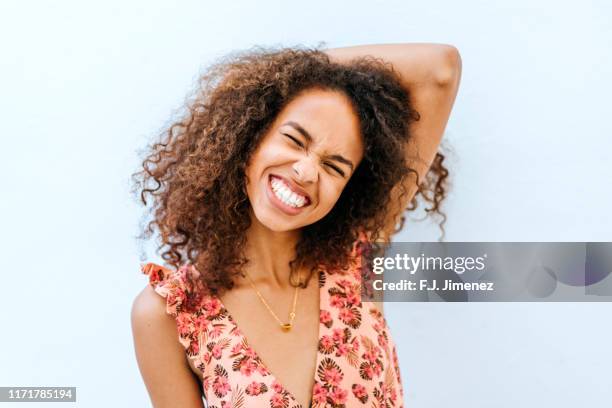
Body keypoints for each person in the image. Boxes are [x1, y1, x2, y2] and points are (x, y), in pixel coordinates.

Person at [130, 43, 461, 407]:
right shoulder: (172, 312)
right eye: (293, 140)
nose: (305, 172)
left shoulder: (360, 255)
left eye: (334, 167)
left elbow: (439, 70)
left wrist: (305, 70)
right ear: (249, 138)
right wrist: (281, 77)